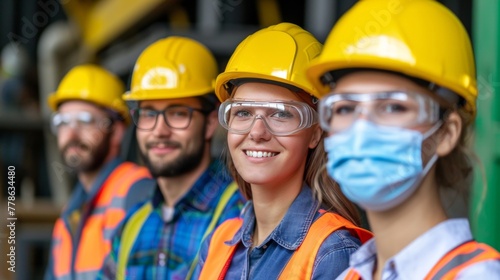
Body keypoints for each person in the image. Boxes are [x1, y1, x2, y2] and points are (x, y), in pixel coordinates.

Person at [306, 0, 500, 279]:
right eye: (345, 108)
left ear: (447, 132)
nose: (361, 130)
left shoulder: (477, 275)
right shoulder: (349, 275)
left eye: (393, 107)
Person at [195, 23, 372, 280]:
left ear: (315, 132)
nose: (257, 132)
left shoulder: (333, 253)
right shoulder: (218, 243)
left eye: (280, 114)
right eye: (243, 112)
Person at [99, 36, 245, 280]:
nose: (159, 130)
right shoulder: (132, 227)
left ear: (210, 123)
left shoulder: (240, 216)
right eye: (148, 114)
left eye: (178, 113)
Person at [45, 64, 155, 280]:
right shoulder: (68, 215)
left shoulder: (138, 191)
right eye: (63, 122)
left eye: (85, 120)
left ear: (116, 131)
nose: (72, 133)